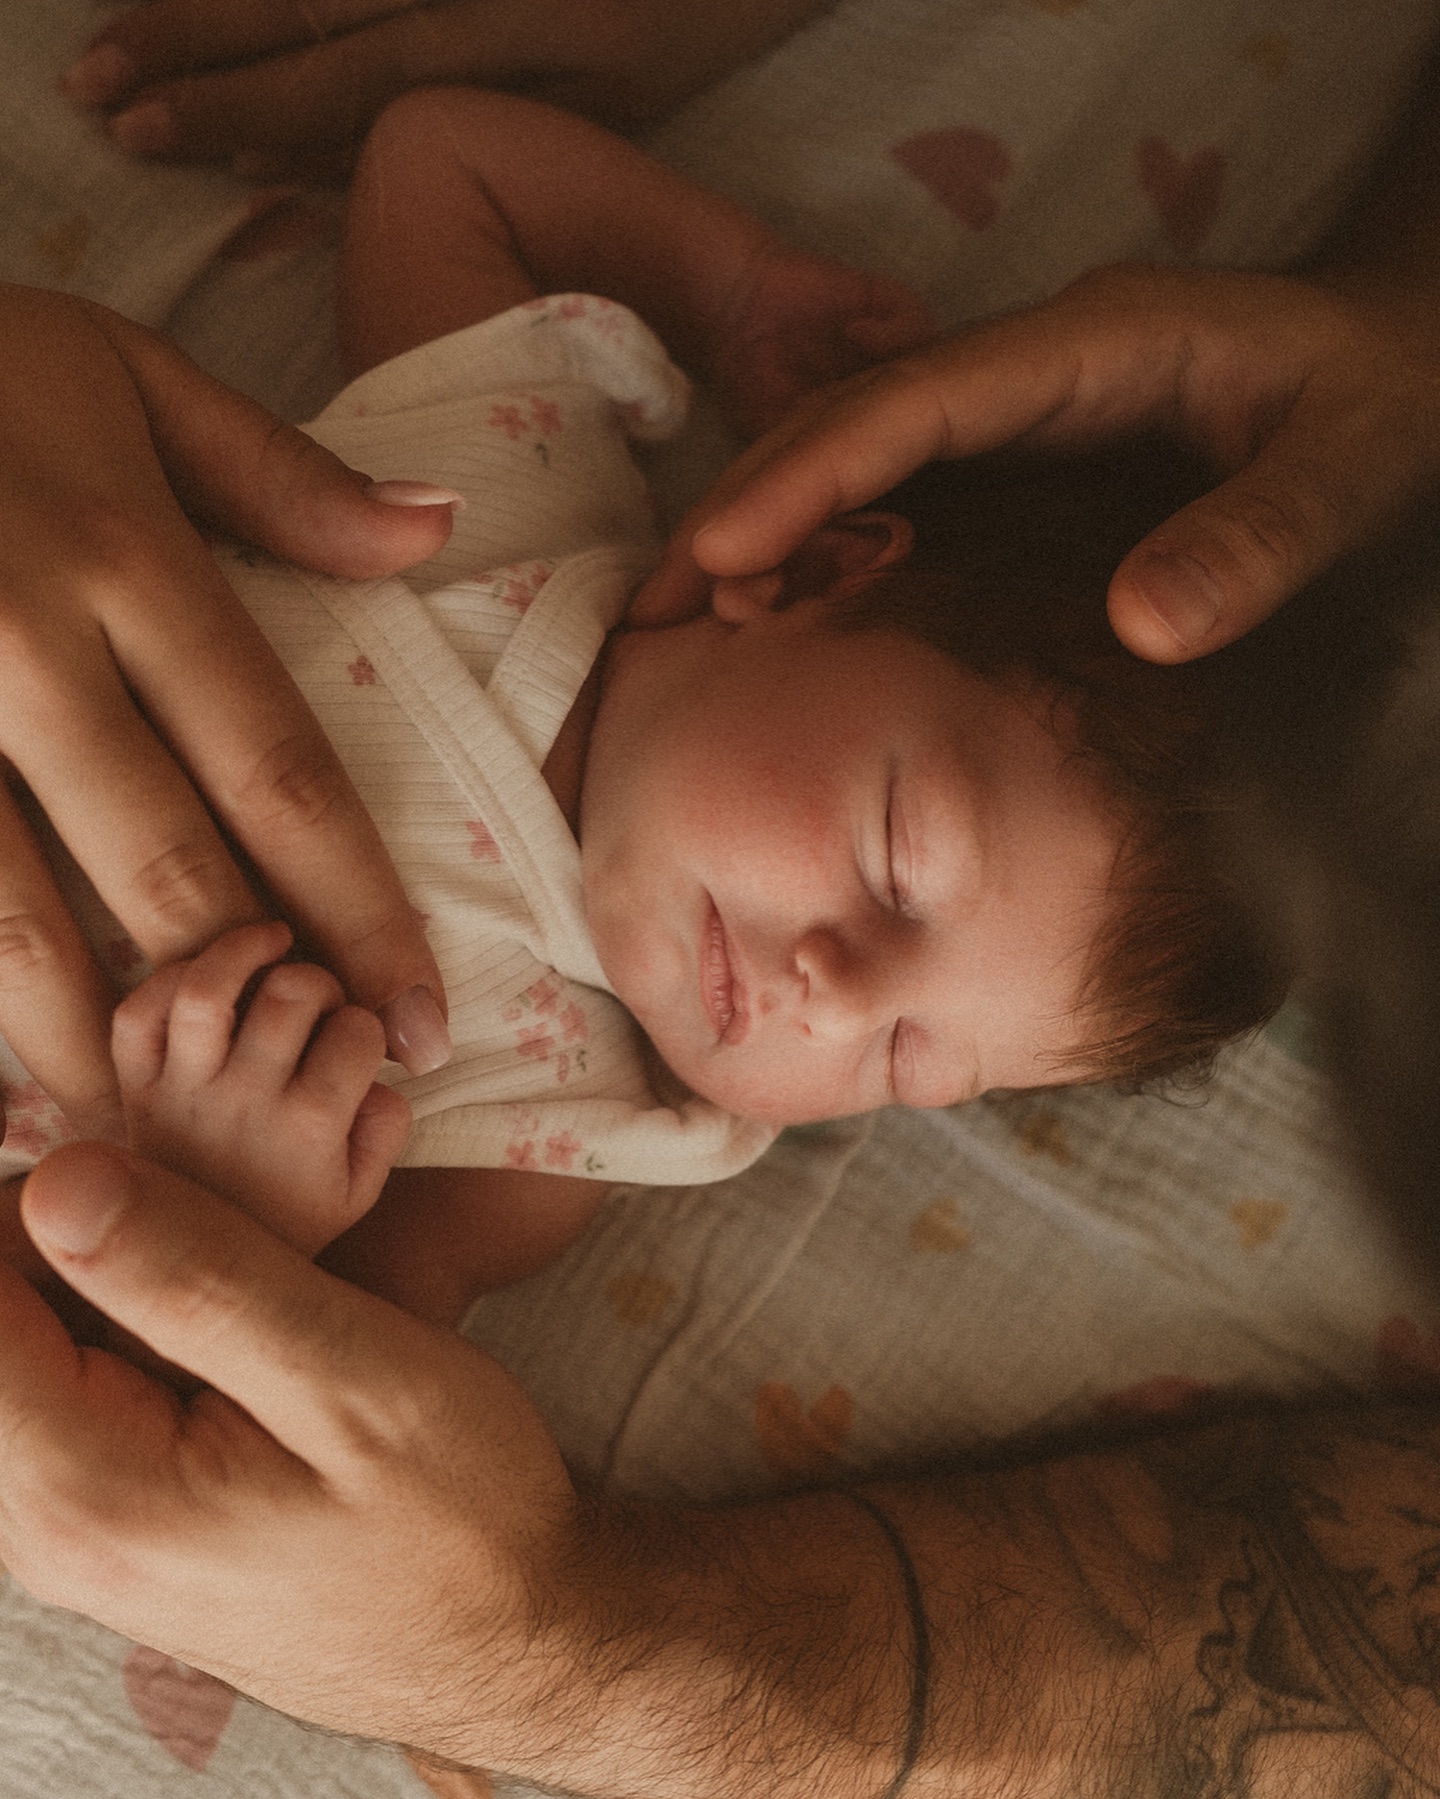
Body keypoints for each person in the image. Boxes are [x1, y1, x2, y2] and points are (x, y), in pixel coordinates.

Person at [1, 90, 1282, 1325]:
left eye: (907, 1057)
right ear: (813, 572)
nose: (831, 997)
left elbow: (317, 1368)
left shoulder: (568, 1131)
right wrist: (730, 288)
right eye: (897, 864)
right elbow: (446, 160)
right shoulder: (513, 482)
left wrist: (225, 1214)